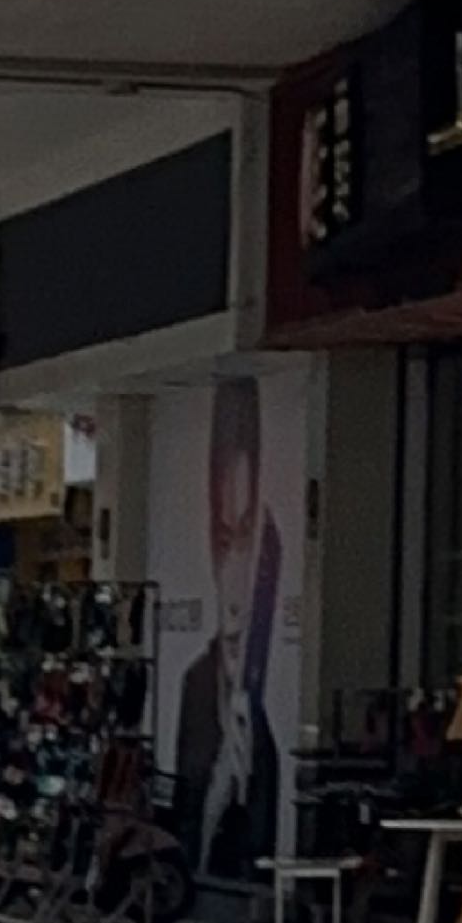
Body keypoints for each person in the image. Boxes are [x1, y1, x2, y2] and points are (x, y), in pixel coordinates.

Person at [168, 377, 280, 881]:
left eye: (246, 534)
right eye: (224, 535)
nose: (234, 560)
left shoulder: (266, 717)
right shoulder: (196, 689)